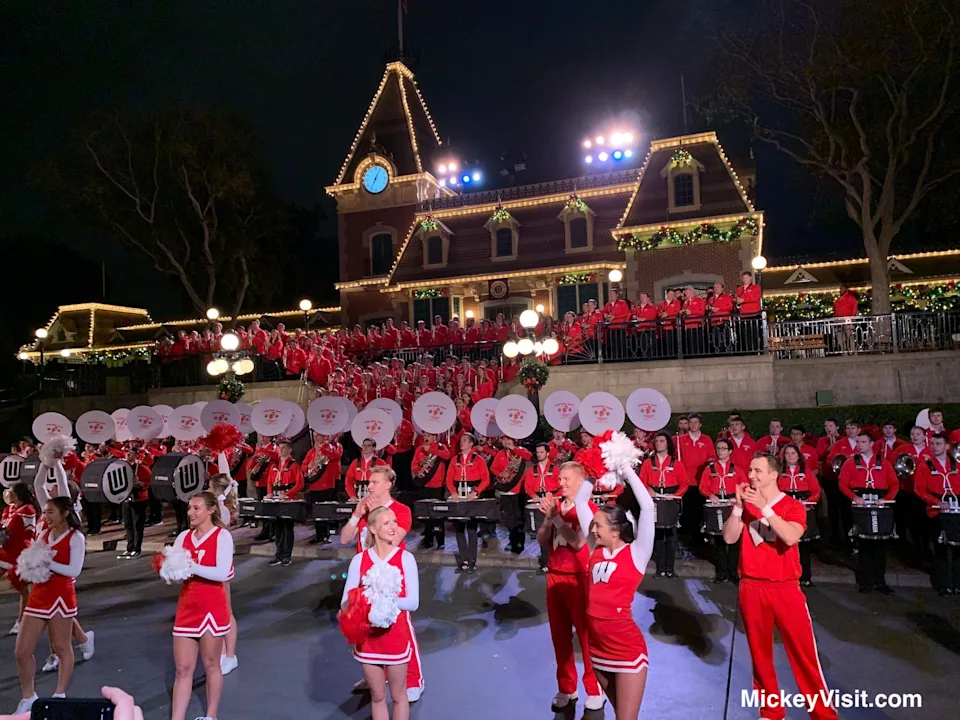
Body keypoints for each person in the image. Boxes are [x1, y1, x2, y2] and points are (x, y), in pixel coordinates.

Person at [722, 454, 839, 720]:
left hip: (785, 589)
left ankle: (823, 714)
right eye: (750, 470)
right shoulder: (747, 504)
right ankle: (771, 711)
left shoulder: (793, 506)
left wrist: (765, 508)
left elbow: (789, 536)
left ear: (774, 475)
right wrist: (739, 508)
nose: (751, 475)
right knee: (760, 655)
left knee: (803, 654)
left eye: (757, 471)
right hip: (751, 588)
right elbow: (729, 538)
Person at [571, 458, 655, 718]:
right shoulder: (596, 548)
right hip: (597, 646)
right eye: (593, 524)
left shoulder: (636, 554)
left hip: (625, 647)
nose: (592, 529)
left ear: (616, 531)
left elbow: (648, 506)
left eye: (599, 525)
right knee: (620, 712)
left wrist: (624, 467)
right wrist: (595, 467)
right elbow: (579, 501)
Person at [340, 467, 423, 702]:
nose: (369, 486)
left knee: (402, 629)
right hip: (365, 579)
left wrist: (376, 523)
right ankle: (373, 675)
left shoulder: (400, 511)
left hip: (392, 579)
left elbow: (391, 541)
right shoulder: (365, 512)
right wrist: (357, 515)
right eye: (369, 482)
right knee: (365, 626)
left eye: (375, 481)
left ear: (388, 484)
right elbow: (345, 538)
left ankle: (414, 679)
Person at [535, 462, 604, 713]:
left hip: (580, 577)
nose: (560, 482)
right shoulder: (556, 507)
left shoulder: (589, 509)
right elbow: (543, 540)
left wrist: (555, 518)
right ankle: (567, 687)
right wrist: (547, 520)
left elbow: (577, 543)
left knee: (586, 637)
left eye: (565, 479)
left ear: (579, 481)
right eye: (560, 479)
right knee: (559, 636)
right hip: (554, 576)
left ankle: (595, 688)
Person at [13, 496, 86, 715]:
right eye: (45, 512)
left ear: (64, 512)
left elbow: (74, 571)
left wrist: (47, 562)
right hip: (40, 594)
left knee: (62, 648)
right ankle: (28, 697)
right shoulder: (43, 534)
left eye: (51, 512)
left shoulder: (76, 537)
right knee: (21, 651)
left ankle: (59, 694)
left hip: (61, 597)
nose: (46, 516)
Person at [167, 492, 234, 720]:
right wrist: (167, 569)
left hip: (212, 609)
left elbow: (221, 572)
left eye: (196, 508)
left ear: (211, 510)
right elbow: (177, 574)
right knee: (182, 669)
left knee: (211, 664)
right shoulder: (183, 537)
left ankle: (211, 716)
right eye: (189, 508)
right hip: (187, 608)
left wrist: (190, 565)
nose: (190, 513)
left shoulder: (222, 536)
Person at [839, 432, 898, 593]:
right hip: (861, 506)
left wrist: (887, 498)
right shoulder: (850, 463)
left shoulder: (883, 463)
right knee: (863, 544)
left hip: (880, 505)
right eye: (858, 442)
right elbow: (842, 484)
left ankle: (880, 581)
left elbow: (894, 483)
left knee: (880, 544)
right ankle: (866, 582)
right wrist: (854, 497)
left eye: (863, 442)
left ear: (872, 444)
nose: (859, 444)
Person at [913, 433, 960, 594]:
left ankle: (957, 582)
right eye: (932, 443)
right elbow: (919, 489)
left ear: (947, 446)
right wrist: (937, 502)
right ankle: (943, 583)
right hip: (936, 512)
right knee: (940, 548)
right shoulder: (924, 466)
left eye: (938, 444)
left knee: (958, 548)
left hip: (956, 511)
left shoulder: (957, 464)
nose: (934, 446)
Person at [639, 432, 689, 577]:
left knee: (671, 534)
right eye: (656, 441)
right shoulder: (648, 462)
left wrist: (676, 496)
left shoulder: (676, 463)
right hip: (654, 499)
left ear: (667, 444)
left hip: (670, 499)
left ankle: (670, 568)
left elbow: (684, 483)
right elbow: (642, 479)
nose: (658, 443)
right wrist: (649, 490)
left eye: (661, 441)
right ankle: (660, 567)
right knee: (657, 534)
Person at [698, 439, 746, 583]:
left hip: (732, 506)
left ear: (730, 451)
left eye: (724, 448)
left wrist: (737, 498)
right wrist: (710, 495)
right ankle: (721, 572)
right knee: (719, 541)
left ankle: (733, 573)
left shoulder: (737, 469)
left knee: (734, 541)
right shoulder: (709, 469)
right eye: (718, 448)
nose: (720, 451)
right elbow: (702, 487)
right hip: (716, 505)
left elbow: (745, 485)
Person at [208, 471, 241, 676]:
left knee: (225, 610)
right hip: (210, 558)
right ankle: (220, 652)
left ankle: (230, 655)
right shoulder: (218, 507)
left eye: (210, 488)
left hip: (220, 559)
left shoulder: (222, 510)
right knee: (215, 609)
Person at [445, 433, 490, 574]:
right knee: (459, 529)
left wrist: (476, 492)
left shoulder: (479, 460)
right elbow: (448, 479)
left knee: (471, 529)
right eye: (461, 440)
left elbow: (486, 479)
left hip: (472, 497)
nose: (462, 443)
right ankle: (463, 561)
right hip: (458, 496)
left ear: (471, 444)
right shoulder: (454, 459)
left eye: (465, 441)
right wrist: (453, 492)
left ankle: (472, 561)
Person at [779, 444, 822, 587]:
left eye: (793, 453)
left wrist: (807, 502)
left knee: (804, 547)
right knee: (786, 546)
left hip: (803, 512)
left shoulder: (807, 472)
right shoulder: (779, 473)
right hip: (785, 513)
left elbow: (816, 491)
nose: (790, 456)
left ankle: (805, 577)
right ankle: (786, 576)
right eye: (787, 454)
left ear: (798, 455)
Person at [1, 483, 38, 635]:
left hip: (19, 552)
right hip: (6, 549)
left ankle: (22, 620)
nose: (7, 493)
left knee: (23, 588)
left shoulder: (27, 510)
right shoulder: (11, 509)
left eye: (11, 491)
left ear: (17, 494)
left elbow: (27, 532)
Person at [266, 440, 304, 567]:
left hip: (288, 500)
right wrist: (269, 493)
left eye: (283, 448)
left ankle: (287, 556)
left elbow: (300, 484)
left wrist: (287, 494)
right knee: (277, 528)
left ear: (289, 450)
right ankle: (278, 555)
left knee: (287, 528)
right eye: (279, 448)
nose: (280, 450)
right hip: (276, 499)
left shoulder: (294, 465)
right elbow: (269, 481)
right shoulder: (274, 465)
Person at [411, 432, 451, 550]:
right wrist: (419, 466)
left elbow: (447, 455)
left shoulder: (440, 447)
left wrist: (432, 450)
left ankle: (440, 540)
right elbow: (413, 466)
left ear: (435, 437)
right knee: (426, 515)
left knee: (437, 515)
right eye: (425, 435)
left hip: (437, 486)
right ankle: (428, 539)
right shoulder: (419, 449)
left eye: (429, 436)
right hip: (424, 485)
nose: (426, 438)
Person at [304, 433, 344, 544]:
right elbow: (303, 465)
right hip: (314, 484)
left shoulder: (330, 448)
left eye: (319, 435)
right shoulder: (311, 452)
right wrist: (309, 466)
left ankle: (327, 534)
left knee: (325, 510)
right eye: (316, 435)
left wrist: (323, 448)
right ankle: (318, 534)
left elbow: (335, 457)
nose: (316, 437)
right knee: (316, 511)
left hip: (327, 484)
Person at [119, 449, 151, 559]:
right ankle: (129, 548)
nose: (128, 454)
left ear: (136, 455)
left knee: (137, 525)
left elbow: (149, 481)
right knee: (128, 525)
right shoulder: (122, 467)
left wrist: (141, 483)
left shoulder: (141, 467)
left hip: (139, 499)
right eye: (126, 452)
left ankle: (137, 549)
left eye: (130, 453)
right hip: (126, 499)